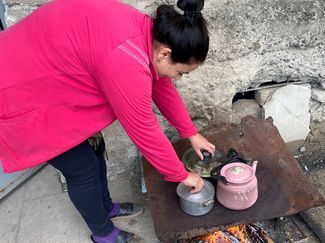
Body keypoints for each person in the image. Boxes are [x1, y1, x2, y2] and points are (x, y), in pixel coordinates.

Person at [0, 0, 215, 242]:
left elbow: (160, 84)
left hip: (46, 72)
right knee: (82, 169)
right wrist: (181, 175)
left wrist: (190, 132)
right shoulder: (126, 59)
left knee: (95, 147)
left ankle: (105, 207)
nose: (178, 78)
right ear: (165, 53)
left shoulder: (148, 33)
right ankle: (103, 233)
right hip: (16, 89)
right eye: (181, 73)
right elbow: (145, 130)